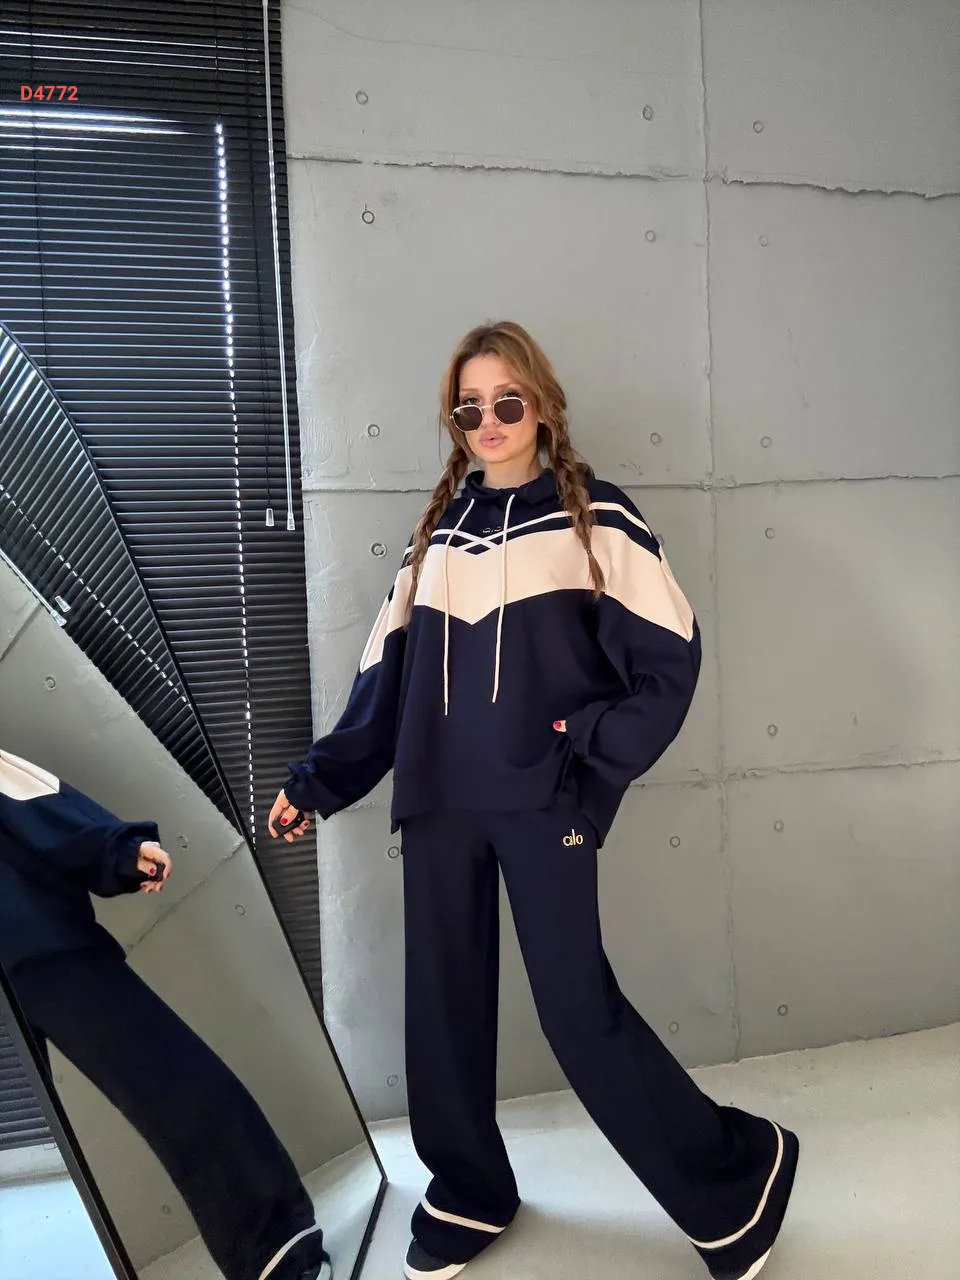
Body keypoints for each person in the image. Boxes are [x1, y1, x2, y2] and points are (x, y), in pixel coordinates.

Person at [270, 321, 799, 1280]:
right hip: (439, 801)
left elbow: (670, 658)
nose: (489, 421)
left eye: (507, 402)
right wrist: (317, 784)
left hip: (540, 801)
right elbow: (383, 680)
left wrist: (587, 749)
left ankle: (734, 1177)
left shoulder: (599, 518)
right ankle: (469, 1193)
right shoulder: (436, 536)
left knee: (577, 1013)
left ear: (542, 407)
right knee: (441, 1010)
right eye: (469, 407)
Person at [0, 748, 331, 1280]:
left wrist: (121, 850)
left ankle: (276, 1248)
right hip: (37, 954)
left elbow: (29, 796)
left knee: (176, 1089)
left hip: (43, 956)